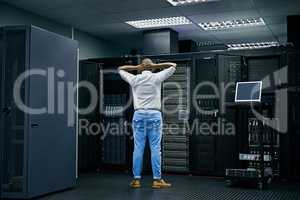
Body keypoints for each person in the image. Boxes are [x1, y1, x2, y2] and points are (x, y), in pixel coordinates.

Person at [118, 58, 176, 189]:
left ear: (141, 68)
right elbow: (173, 65)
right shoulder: (156, 77)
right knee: (155, 148)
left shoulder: (134, 79)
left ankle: (136, 180)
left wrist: (137, 67)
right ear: (152, 68)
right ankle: (157, 180)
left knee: (138, 147)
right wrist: (154, 65)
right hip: (154, 115)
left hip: (138, 115)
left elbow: (120, 69)